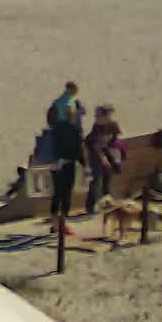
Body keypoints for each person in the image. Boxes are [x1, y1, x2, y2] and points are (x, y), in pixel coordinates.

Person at [47, 88, 84, 234]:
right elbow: (77, 150)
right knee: (66, 194)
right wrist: (85, 166)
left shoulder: (57, 128)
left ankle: (55, 224)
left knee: (57, 194)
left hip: (56, 164)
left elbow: (54, 146)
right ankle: (61, 224)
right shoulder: (74, 130)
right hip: (67, 164)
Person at [83, 104, 123, 213]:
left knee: (107, 180)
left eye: (98, 116)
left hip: (107, 152)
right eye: (96, 116)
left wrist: (113, 158)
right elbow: (95, 145)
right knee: (95, 181)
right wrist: (103, 158)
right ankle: (90, 208)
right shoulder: (97, 127)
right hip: (95, 154)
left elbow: (114, 141)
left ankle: (107, 205)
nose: (96, 118)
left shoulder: (113, 125)